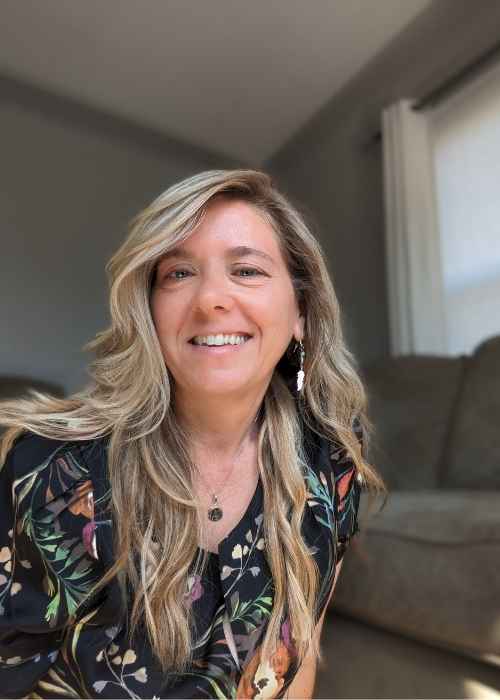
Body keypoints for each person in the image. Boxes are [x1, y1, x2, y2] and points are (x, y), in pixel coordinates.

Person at [0, 169, 386, 699]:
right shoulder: (48, 469)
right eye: (179, 273)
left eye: (246, 270)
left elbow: (298, 652)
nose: (210, 301)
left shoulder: (331, 459)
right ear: (148, 310)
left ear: (301, 310)